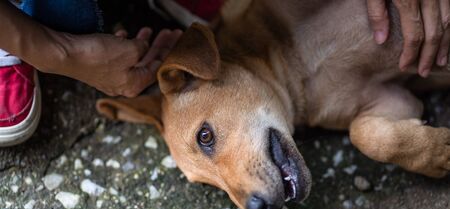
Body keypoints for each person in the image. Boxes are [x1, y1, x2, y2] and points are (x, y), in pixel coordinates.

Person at [0, 0, 448, 147]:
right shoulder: (313, 108)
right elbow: (396, 108)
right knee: (66, 12)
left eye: (208, 139)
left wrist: (55, 50)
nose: (249, 205)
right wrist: (52, 49)